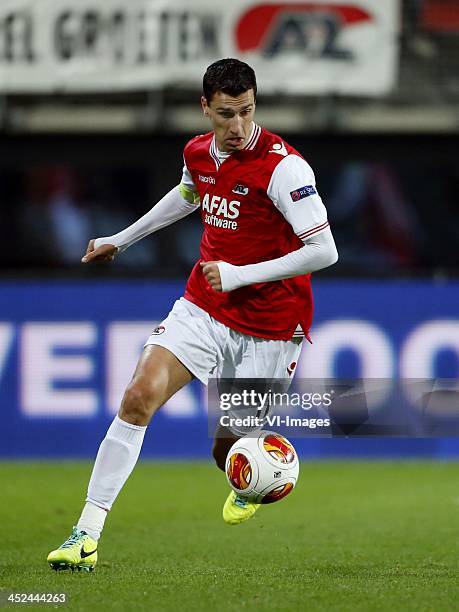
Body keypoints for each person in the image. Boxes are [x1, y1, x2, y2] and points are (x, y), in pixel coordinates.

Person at [47, 58, 338, 572]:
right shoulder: (198, 153)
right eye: (226, 114)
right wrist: (122, 238)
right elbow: (187, 196)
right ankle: (85, 535)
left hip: (271, 324)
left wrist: (240, 274)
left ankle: (253, 481)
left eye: (247, 111)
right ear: (205, 108)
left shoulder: (283, 166)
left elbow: (325, 251)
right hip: (204, 305)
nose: (238, 126)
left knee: (228, 451)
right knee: (139, 397)